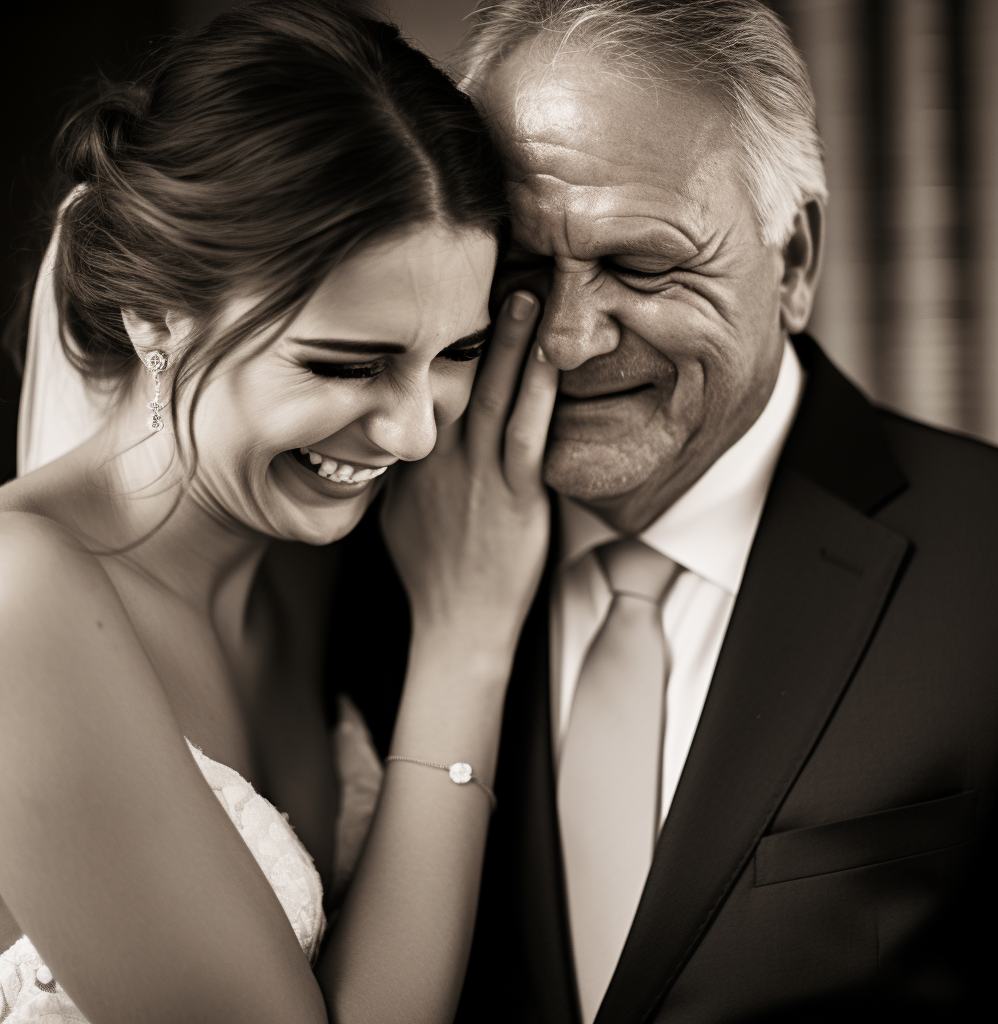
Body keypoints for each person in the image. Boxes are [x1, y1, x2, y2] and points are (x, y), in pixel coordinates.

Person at [329, 2, 998, 1022]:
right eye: (518, 272)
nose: (566, 338)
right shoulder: (338, 554)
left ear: (794, 259)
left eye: (639, 267)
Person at [0, 2, 560, 1022]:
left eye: (456, 353)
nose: (417, 435)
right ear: (156, 315)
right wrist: (467, 639)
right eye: (346, 363)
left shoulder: (319, 543)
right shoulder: (6, 600)